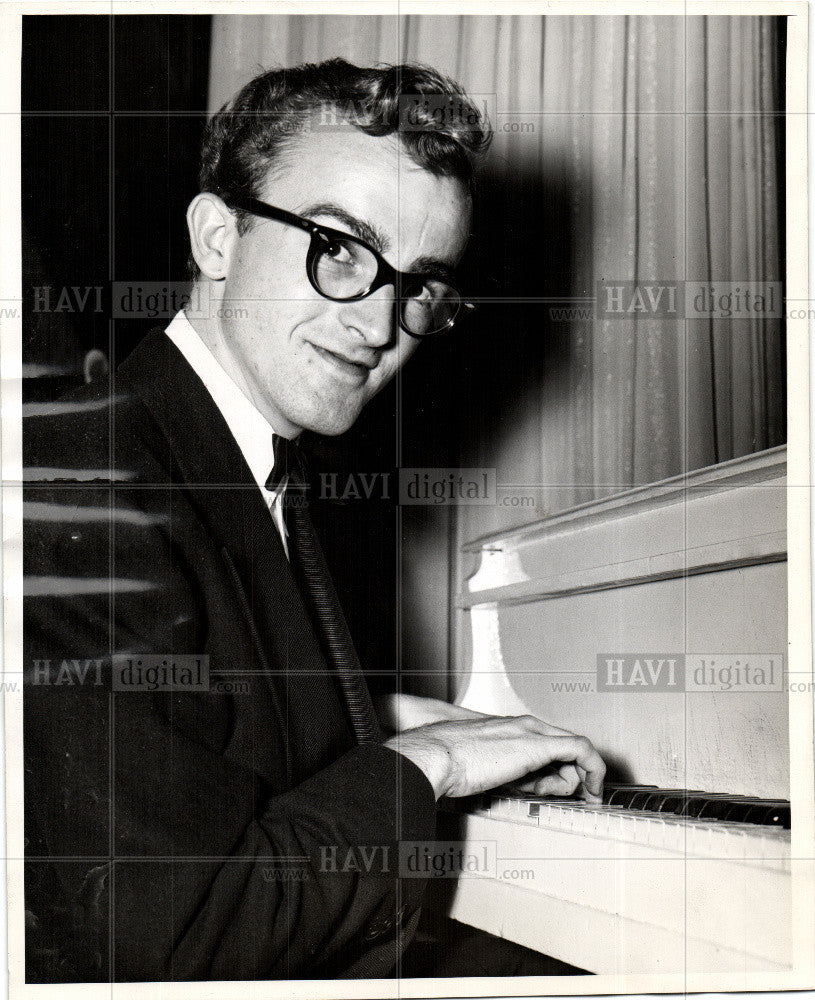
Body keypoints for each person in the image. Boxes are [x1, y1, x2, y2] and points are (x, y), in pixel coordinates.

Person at [23, 58, 605, 983]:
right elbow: (183, 934)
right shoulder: (89, 485)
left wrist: (362, 722)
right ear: (217, 237)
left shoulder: (224, 451)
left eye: (418, 285)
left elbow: (195, 725)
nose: (378, 326)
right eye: (338, 250)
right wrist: (427, 765)